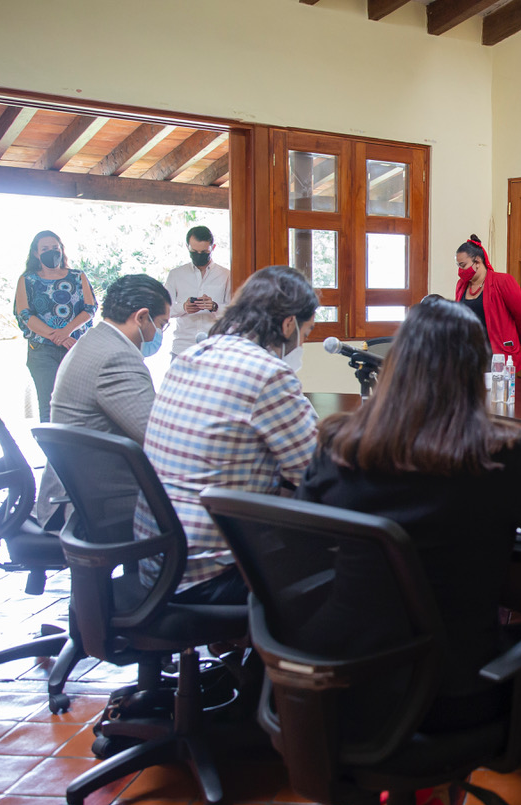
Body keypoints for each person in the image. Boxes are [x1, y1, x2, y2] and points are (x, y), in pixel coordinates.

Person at [294, 296, 521, 731]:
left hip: (345, 679)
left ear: (396, 362)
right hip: (452, 693)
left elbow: (302, 539)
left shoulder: (338, 442)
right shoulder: (496, 452)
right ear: (474, 371)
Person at [134, 265, 319, 605]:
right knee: (346, 561)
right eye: (306, 332)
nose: (302, 342)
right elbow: (314, 472)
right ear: (288, 324)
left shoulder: (191, 356)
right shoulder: (267, 372)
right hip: (208, 575)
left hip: (157, 560)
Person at [34, 275, 171, 528]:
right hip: (102, 502)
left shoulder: (94, 340)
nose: (159, 332)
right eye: (162, 324)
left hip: (79, 490)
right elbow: (158, 439)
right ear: (142, 317)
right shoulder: (116, 357)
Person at [13, 230, 97, 421]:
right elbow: (24, 314)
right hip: (42, 351)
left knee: (80, 405)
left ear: (61, 250)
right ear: (36, 253)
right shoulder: (27, 280)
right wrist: (55, 336)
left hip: (75, 347)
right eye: (45, 249)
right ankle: (51, 441)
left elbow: (90, 308)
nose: (51, 252)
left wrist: (66, 332)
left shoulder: (78, 276)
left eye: (55, 247)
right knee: (49, 407)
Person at [455, 234, 521, 371]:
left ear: (477, 262)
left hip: (497, 354)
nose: (460, 271)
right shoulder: (461, 285)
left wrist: (511, 338)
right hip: (469, 355)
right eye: (458, 266)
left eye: (463, 265)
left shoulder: (503, 282)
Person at [162, 225, 232, 359]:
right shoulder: (176, 275)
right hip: (182, 348)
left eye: (204, 252)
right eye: (194, 251)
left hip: (215, 348)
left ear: (213, 248)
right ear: (187, 247)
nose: (199, 255)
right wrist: (183, 307)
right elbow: (164, 310)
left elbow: (233, 312)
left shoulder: (226, 275)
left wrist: (215, 307)